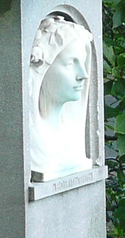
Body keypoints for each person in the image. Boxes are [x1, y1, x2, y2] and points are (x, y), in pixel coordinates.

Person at [29, 15, 95, 181]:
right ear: (44, 68)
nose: (84, 75)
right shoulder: (34, 146)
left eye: (83, 62)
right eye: (70, 64)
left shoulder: (71, 139)